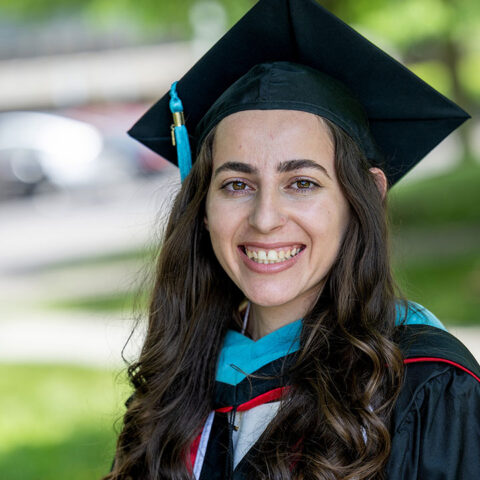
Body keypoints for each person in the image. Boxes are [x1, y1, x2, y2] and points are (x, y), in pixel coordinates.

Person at [104, 0, 480, 479]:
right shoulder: (175, 387)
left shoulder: (425, 386)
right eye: (236, 184)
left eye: (301, 183)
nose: (265, 219)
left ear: (365, 195)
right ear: (202, 207)